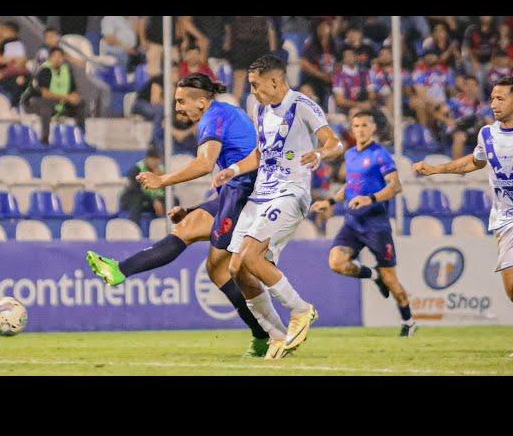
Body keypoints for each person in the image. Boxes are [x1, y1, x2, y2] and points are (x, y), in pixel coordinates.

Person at [87, 73, 285, 358]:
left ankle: (269, 332)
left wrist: (161, 180)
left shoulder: (213, 118)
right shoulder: (222, 113)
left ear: (202, 101)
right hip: (239, 193)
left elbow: (205, 165)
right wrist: (192, 209)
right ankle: (120, 270)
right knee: (195, 238)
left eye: (181, 102)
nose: (178, 107)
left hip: (248, 195)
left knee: (218, 265)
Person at [213, 55, 344, 358]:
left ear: (275, 80)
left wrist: (321, 154)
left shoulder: (303, 105)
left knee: (250, 255)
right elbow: (261, 153)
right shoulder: (259, 109)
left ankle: (301, 310)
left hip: (290, 193)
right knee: (236, 267)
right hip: (261, 195)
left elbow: (335, 142)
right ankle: (276, 335)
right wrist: (232, 170)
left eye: (256, 85)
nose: (253, 91)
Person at [413, 76, 513, 355]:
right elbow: (474, 162)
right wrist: (436, 169)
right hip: (506, 218)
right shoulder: (487, 134)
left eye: (501, 98)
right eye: (492, 97)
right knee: (511, 287)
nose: (494, 103)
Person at [311, 111, 417, 337]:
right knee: (336, 263)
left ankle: (408, 321)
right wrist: (329, 201)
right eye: (356, 125)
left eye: (364, 125)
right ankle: (374, 276)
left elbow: (395, 187)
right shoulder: (350, 155)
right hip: (352, 223)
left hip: (376, 226)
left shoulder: (381, 155)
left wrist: (371, 198)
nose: (360, 129)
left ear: (373, 129)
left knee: (392, 280)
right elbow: (349, 187)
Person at [21, 47, 86, 144]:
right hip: (34, 103)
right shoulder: (45, 70)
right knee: (46, 105)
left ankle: (81, 137)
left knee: (80, 104)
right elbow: (44, 93)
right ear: (49, 58)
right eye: (54, 56)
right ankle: (45, 139)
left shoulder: (67, 70)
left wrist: (75, 98)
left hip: (58, 102)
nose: (57, 59)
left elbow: (73, 89)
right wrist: (67, 98)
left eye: (60, 56)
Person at [119, 147, 167, 224]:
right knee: (136, 200)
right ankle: (134, 227)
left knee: (174, 200)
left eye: (158, 160)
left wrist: (162, 179)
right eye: (153, 160)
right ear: (147, 159)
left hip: (155, 200)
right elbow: (134, 190)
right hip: (138, 199)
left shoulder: (162, 171)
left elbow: (168, 190)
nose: (156, 163)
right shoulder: (137, 169)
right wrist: (154, 201)